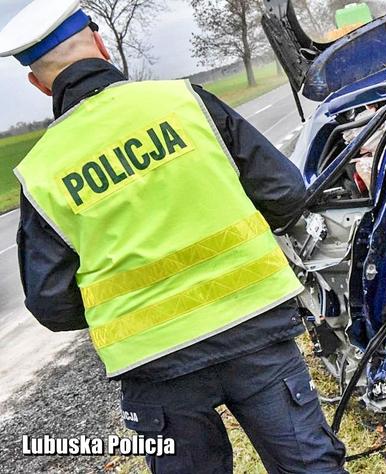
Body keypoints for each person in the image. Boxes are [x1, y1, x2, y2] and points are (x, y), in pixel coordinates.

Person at [0, 0, 347, 472]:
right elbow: (286, 195)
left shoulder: (40, 172)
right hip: (254, 327)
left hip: (154, 365)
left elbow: (51, 305)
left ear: (38, 83)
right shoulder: (187, 102)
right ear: (101, 44)